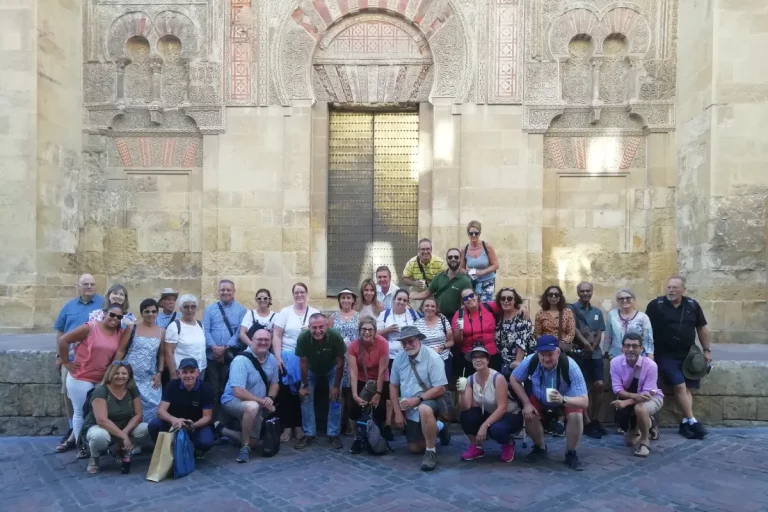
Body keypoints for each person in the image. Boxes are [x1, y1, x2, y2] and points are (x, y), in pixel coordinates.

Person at [509, 335, 590, 471]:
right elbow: (514, 378)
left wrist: (563, 400)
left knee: (576, 416)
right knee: (529, 413)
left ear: (558, 352)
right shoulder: (531, 361)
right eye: (543, 354)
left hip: (564, 398)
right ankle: (539, 448)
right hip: (540, 398)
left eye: (550, 354)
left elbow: (584, 401)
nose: (546, 358)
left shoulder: (571, 366)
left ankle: (571, 453)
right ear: (537, 354)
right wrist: (527, 403)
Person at [645, 275, 711, 440]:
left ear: (683, 290)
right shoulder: (656, 306)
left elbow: (701, 328)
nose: (671, 290)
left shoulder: (692, 305)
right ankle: (693, 421)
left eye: (675, 287)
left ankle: (685, 423)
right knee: (680, 387)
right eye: (669, 287)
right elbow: (646, 330)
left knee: (687, 389)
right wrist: (648, 353)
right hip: (665, 355)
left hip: (689, 355)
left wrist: (707, 350)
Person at [58, 302, 126, 457]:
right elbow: (64, 340)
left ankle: (95, 445)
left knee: (97, 413)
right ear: (105, 313)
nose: (115, 319)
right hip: (80, 376)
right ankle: (81, 446)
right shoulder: (90, 327)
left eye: (119, 317)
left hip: (101, 378)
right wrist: (66, 362)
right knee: (80, 411)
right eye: (112, 314)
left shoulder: (118, 333)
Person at [54, 274, 104, 453]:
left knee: (95, 398)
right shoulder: (69, 306)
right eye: (85, 284)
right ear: (78, 286)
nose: (89, 287)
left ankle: (90, 433)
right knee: (69, 397)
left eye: (92, 284)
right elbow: (60, 332)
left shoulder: (103, 305)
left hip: (95, 361)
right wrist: (62, 357)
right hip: (72, 360)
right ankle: (73, 433)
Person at [389, 326, 449, 471]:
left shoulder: (433, 357)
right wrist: (397, 412)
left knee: (424, 408)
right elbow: (393, 386)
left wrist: (418, 400)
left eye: (411, 341)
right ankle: (440, 428)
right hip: (409, 406)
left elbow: (440, 388)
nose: (408, 345)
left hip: (430, 400)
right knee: (414, 448)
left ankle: (430, 452)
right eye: (404, 342)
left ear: (419, 340)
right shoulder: (399, 358)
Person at [221, 329, 279, 463]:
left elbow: (275, 384)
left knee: (255, 443)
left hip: (258, 403)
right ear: (252, 340)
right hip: (233, 401)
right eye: (260, 340)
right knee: (252, 407)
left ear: (271, 342)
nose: (263, 342)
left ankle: (222, 430)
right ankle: (244, 447)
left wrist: (270, 399)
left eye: (267, 340)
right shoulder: (240, 360)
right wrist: (262, 402)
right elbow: (238, 391)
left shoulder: (272, 359)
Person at [458, 345, 522, 463]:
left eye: (481, 357)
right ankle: (476, 447)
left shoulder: (497, 378)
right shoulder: (470, 380)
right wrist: (461, 393)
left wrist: (484, 426)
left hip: (510, 414)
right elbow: (465, 407)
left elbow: (503, 408)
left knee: (495, 429)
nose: (478, 360)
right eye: (475, 357)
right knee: (466, 416)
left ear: (487, 360)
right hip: (489, 412)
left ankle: (508, 443)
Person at [272, 282, 320, 442]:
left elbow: (320, 333)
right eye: (296, 292)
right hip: (287, 358)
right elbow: (277, 335)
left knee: (303, 393)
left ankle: (300, 426)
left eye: (302, 292)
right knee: (286, 394)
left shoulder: (314, 312)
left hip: (307, 358)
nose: (299, 295)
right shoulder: (285, 312)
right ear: (293, 295)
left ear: (307, 293)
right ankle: (287, 427)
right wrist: (278, 357)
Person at [81, 362, 148, 474]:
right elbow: (102, 420)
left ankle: (118, 448)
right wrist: (124, 436)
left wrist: (125, 433)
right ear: (110, 374)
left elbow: (138, 415)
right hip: (100, 426)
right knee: (99, 436)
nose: (120, 376)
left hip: (123, 426)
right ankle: (94, 457)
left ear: (129, 375)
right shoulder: (101, 391)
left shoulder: (132, 389)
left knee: (145, 428)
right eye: (116, 373)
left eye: (124, 373)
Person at [295, 314, 347, 450]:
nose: (318, 331)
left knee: (336, 397)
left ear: (327, 326)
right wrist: (305, 386)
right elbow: (303, 362)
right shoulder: (303, 338)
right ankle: (309, 434)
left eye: (321, 327)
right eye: (314, 328)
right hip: (311, 369)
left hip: (331, 368)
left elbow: (341, 362)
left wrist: (336, 386)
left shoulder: (335, 336)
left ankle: (333, 433)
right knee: (305, 397)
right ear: (309, 327)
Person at [610, 332, 664, 457]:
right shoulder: (615, 363)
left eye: (635, 346)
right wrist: (632, 397)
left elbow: (647, 394)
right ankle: (649, 424)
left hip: (652, 398)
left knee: (640, 408)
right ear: (622, 348)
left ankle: (645, 442)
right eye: (627, 346)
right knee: (630, 442)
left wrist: (625, 402)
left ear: (641, 348)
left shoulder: (651, 365)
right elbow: (617, 389)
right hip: (631, 397)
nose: (630, 349)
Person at [149, 358, 215, 459]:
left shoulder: (206, 388)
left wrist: (192, 426)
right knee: (154, 425)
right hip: (173, 424)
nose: (188, 375)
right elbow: (161, 411)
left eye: (192, 372)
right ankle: (164, 448)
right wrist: (174, 420)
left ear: (198, 373)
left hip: (195, 425)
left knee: (205, 441)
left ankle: (196, 450)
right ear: (179, 373)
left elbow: (207, 417)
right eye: (184, 372)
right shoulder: (172, 385)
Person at [203, 280, 247, 421]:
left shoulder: (241, 310)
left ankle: (228, 423)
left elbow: (239, 332)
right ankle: (213, 422)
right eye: (222, 290)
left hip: (230, 356)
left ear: (234, 291)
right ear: (219, 291)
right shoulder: (210, 309)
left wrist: (224, 348)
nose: (225, 292)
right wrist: (214, 348)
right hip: (211, 356)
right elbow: (206, 329)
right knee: (214, 390)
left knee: (229, 390)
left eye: (228, 290)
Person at [116, 298, 166, 423]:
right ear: (141, 313)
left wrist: (159, 372)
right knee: (129, 407)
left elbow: (161, 354)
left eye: (153, 311)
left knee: (154, 405)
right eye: (147, 311)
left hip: (149, 377)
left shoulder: (162, 332)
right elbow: (121, 350)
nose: (150, 314)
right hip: (129, 376)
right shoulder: (132, 328)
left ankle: (148, 436)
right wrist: (114, 369)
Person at [568, 282, 607, 439]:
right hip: (580, 354)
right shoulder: (572, 309)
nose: (585, 293)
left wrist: (593, 346)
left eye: (588, 291)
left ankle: (596, 418)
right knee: (581, 388)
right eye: (582, 291)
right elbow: (574, 329)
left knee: (599, 385)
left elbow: (599, 332)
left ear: (592, 292)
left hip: (595, 354)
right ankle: (587, 421)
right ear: (578, 292)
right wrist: (585, 344)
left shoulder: (597, 311)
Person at [347, 317, 390, 453]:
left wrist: (377, 393)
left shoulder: (383, 343)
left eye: (370, 330)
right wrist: (354, 395)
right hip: (361, 378)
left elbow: (382, 370)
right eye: (364, 329)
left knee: (379, 408)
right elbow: (353, 372)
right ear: (359, 331)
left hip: (380, 378)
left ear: (375, 331)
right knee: (353, 408)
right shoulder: (353, 346)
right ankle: (357, 438)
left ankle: (378, 437)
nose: (367, 332)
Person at [327, 288, 360, 435]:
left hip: (353, 358)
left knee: (350, 391)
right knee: (337, 391)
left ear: (353, 300)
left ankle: (349, 423)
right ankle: (338, 424)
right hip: (338, 358)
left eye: (349, 297)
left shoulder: (359, 317)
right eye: (343, 298)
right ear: (339, 300)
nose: (346, 300)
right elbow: (328, 337)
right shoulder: (333, 317)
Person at [411, 248, 473, 320]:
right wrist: (411, 297)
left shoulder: (465, 281)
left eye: (456, 257)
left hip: (454, 318)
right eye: (450, 257)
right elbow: (427, 293)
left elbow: (469, 301)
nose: (453, 259)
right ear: (446, 259)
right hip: (437, 316)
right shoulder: (439, 277)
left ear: (460, 259)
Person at [452, 288, 502, 375]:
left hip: (491, 353)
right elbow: (457, 341)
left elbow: (508, 306)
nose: (469, 299)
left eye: (471, 295)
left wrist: (521, 306)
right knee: (472, 383)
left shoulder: (489, 306)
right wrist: (458, 331)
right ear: (463, 302)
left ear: (477, 296)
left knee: (493, 381)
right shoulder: (459, 314)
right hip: (470, 356)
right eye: (465, 298)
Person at [165, 294, 207, 379]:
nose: (190, 310)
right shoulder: (175, 326)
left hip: (200, 369)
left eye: (193, 307)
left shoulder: (200, 325)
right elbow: (169, 352)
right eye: (186, 307)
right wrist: (173, 374)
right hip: (183, 372)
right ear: (181, 309)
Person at [494, 287, 534, 376]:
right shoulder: (499, 317)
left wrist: (518, 361)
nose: (506, 301)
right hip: (504, 362)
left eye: (509, 298)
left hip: (520, 363)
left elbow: (522, 340)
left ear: (515, 301)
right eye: (503, 298)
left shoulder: (521, 316)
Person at [606, 288, 655, 358]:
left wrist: (650, 355)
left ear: (633, 299)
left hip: (638, 357)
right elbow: (608, 336)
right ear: (617, 301)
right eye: (621, 298)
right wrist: (606, 352)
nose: (625, 300)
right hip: (616, 356)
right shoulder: (612, 315)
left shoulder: (643, 317)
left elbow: (648, 340)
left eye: (628, 298)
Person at [415, 297, 454, 384]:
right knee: (429, 386)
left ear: (436, 309)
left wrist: (442, 347)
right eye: (427, 306)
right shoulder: (417, 323)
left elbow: (451, 341)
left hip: (444, 358)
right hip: (425, 360)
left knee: (444, 387)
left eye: (433, 306)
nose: (430, 308)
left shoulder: (443, 321)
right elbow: (416, 344)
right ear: (422, 308)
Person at [460, 220, 499, 302]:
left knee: (486, 305)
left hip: (487, 281)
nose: (474, 235)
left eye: (476, 233)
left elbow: (496, 265)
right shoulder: (465, 249)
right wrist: (468, 272)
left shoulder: (487, 246)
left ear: (479, 233)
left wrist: (482, 272)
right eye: (471, 233)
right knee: (473, 305)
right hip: (472, 282)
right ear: (468, 234)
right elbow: (461, 268)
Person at [377, 289, 420, 362]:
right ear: (394, 299)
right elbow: (376, 335)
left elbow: (419, 333)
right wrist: (387, 330)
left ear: (407, 302)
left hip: (409, 354)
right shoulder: (384, 314)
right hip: (389, 355)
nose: (401, 302)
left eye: (404, 300)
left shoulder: (413, 314)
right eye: (399, 299)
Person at [534, 285, 576, 352]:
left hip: (561, 348)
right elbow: (537, 333)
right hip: (545, 347)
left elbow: (571, 332)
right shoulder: (540, 314)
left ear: (560, 297)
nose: (553, 297)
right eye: (550, 295)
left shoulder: (567, 312)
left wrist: (562, 342)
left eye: (556, 295)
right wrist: (546, 342)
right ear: (546, 297)